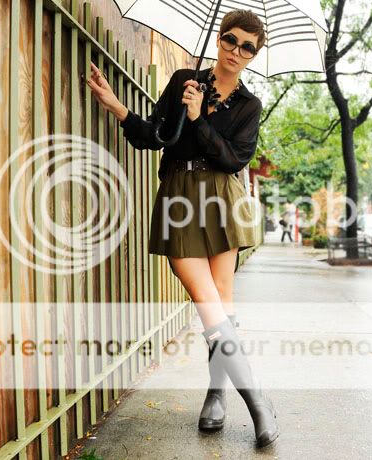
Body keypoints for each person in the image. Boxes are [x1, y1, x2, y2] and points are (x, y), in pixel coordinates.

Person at [86, 9, 278, 448]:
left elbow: (234, 159)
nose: (236, 51)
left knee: (221, 303)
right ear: (220, 39)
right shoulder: (183, 82)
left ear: (254, 55)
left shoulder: (249, 106)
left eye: (247, 47)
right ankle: (257, 401)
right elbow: (154, 136)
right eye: (230, 40)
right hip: (179, 195)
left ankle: (216, 394)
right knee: (207, 300)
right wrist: (115, 106)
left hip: (223, 198)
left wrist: (198, 119)